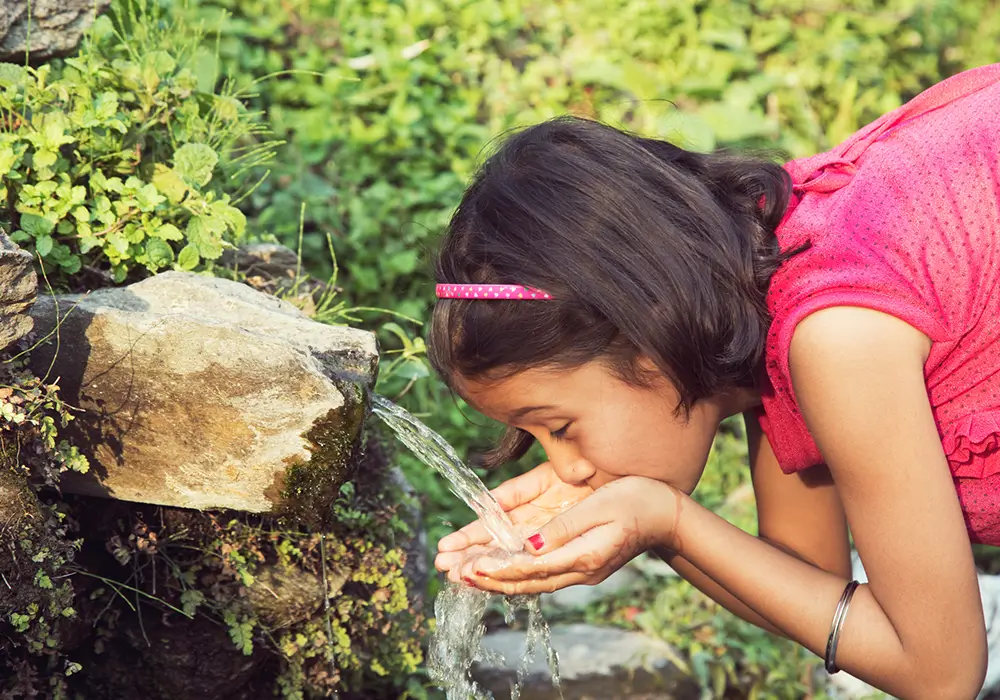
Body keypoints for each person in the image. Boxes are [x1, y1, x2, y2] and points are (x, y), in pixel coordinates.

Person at [428, 63, 1000, 699]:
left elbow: (940, 672)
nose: (568, 470)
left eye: (561, 427)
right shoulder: (770, 293)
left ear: (644, 333)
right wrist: (647, 525)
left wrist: (669, 521)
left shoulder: (837, 337)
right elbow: (806, 582)